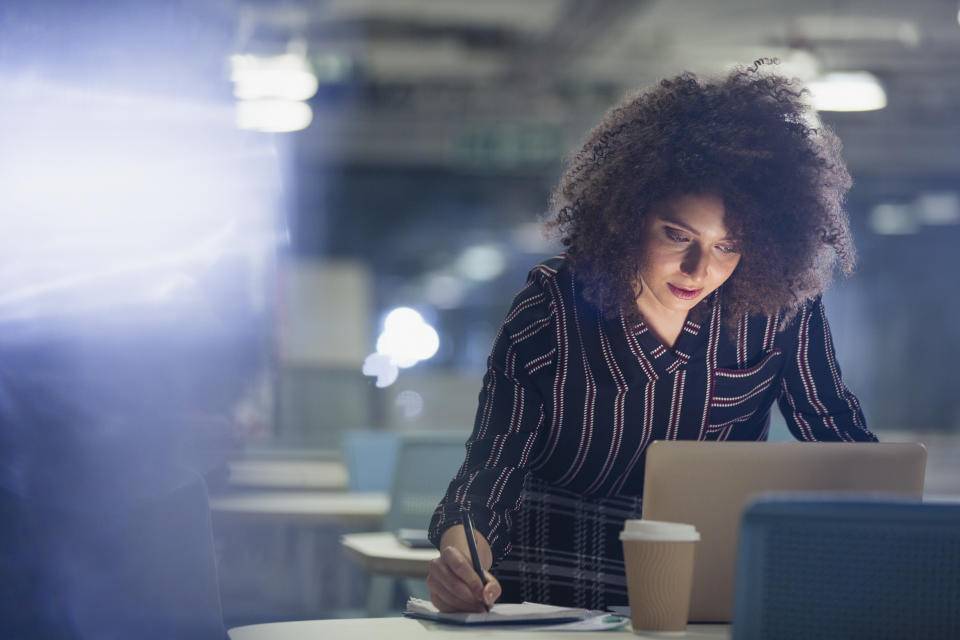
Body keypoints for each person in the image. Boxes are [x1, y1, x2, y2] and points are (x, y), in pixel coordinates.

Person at [425, 60, 877, 613]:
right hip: (552, 594)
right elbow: (491, 468)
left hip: (705, 589)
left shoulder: (781, 308)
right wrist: (464, 558)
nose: (697, 268)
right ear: (627, 213)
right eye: (676, 234)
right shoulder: (551, 308)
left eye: (726, 246)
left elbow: (839, 437)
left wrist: (897, 540)